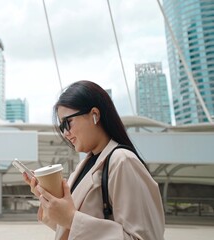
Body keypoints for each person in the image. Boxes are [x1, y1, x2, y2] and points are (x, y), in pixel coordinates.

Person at [23, 80, 165, 239]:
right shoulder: (85, 166)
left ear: (95, 115)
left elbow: (145, 237)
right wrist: (47, 197)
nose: (65, 133)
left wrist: (71, 219)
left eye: (67, 123)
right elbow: (69, 230)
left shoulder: (122, 161)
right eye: (61, 127)